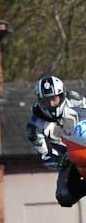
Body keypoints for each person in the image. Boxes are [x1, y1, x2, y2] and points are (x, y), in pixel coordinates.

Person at [26, 72, 86, 207]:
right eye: (46, 101)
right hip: (69, 156)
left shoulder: (74, 98)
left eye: (54, 99)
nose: (51, 104)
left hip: (85, 139)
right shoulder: (34, 127)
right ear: (39, 101)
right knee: (64, 196)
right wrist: (59, 161)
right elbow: (45, 156)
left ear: (62, 95)